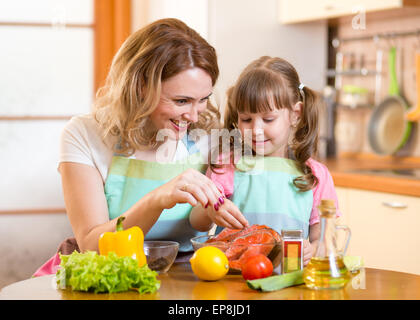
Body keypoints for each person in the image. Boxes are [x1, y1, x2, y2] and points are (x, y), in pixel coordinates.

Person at [33, 18, 248, 277]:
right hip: (104, 274)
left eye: (203, 99)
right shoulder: (85, 134)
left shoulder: (211, 135)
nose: (193, 115)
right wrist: (159, 198)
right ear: (140, 88)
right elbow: (92, 245)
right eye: (181, 101)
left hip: (186, 274)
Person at [190, 56, 342, 266]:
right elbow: (196, 221)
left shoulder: (316, 175)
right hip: (234, 277)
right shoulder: (227, 164)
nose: (256, 129)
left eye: (268, 119)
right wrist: (209, 210)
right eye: (246, 119)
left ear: (295, 114)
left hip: (289, 279)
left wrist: (314, 249)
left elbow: (326, 237)